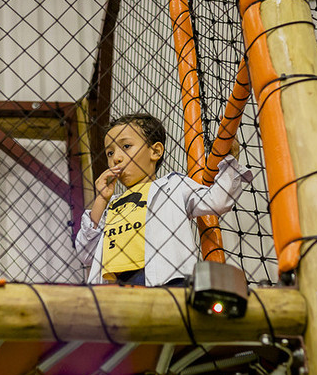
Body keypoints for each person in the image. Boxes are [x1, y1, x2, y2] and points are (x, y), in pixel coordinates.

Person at [75, 112, 254, 286]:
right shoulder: (112, 204)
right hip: (116, 286)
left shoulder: (173, 185)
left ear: (155, 151)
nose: (116, 158)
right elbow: (85, 252)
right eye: (110, 153)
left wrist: (230, 160)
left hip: (167, 278)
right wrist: (101, 199)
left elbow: (217, 200)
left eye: (126, 146)